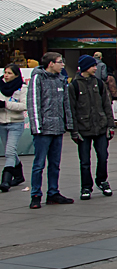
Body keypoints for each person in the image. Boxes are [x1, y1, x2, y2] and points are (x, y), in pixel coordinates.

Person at [26, 52, 75, 208]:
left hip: (58, 128)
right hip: (43, 129)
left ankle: (53, 192)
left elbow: (66, 104)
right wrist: (37, 127)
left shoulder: (61, 80)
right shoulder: (38, 78)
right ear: (51, 64)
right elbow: (33, 103)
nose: (63, 65)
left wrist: (69, 125)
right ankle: (35, 194)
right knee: (39, 163)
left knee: (55, 163)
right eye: (60, 62)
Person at [69, 56, 115, 199]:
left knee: (103, 156)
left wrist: (110, 124)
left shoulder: (99, 84)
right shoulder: (74, 85)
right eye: (93, 66)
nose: (96, 68)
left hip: (100, 126)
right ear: (85, 67)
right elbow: (71, 109)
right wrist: (74, 130)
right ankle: (86, 187)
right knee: (84, 161)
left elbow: (106, 105)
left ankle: (102, 180)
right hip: (83, 128)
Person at [0, 64, 27, 192]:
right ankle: (19, 175)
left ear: (16, 75)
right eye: (5, 72)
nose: (6, 75)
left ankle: (5, 180)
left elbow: (24, 105)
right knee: (10, 150)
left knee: (9, 152)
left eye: (9, 73)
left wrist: (5, 104)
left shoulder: (22, 88)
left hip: (15, 123)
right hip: (1, 122)